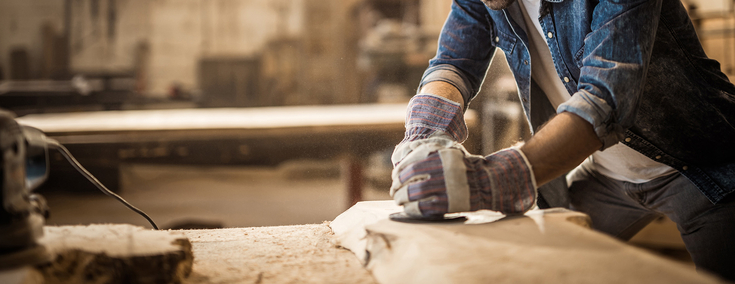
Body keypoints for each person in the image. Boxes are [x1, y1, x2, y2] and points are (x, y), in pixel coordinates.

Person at [389, 0, 735, 280]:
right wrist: (426, 128)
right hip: (608, 176)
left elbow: (603, 103)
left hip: (704, 170)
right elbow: (454, 63)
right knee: (532, 270)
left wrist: (490, 179)